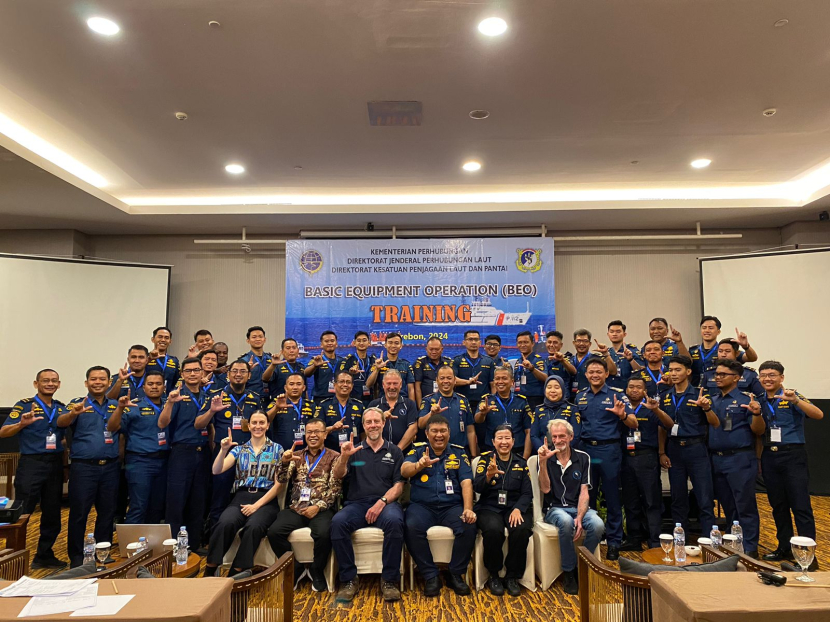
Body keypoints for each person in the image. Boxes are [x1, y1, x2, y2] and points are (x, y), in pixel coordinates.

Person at [330, 408, 405, 603]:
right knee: (338, 522)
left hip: (385, 503)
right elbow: (338, 475)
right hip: (357, 504)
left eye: (376, 421)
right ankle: (348, 579)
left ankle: (389, 580)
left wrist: (381, 503)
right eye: (368, 422)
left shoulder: (394, 451)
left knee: (396, 522)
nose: (373, 425)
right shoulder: (354, 450)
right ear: (363, 426)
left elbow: (398, 486)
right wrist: (344, 457)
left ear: (383, 423)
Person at [758, 361, 824, 566]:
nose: (767, 379)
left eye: (772, 375)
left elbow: (818, 414)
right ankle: (784, 548)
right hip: (770, 455)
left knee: (800, 505)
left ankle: (808, 556)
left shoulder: (792, 395)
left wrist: (796, 400)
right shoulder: (758, 400)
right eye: (763, 375)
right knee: (778, 506)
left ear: (782, 378)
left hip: (792, 455)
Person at [402, 415, 476, 597]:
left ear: (449, 433)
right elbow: (404, 470)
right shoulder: (418, 450)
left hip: (451, 507)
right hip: (422, 506)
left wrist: (468, 508)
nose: (439, 435)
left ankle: (455, 573)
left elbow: (466, 482)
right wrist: (419, 466)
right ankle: (430, 575)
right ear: (427, 434)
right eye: (434, 431)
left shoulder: (459, 452)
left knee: (468, 524)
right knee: (410, 526)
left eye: (443, 431)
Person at [1, 369, 68, 569]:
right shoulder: (24, 405)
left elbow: (62, 439)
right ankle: (13, 557)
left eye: (54, 381)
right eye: (45, 380)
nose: (50, 384)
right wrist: (21, 424)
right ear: (36, 383)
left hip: (54, 464)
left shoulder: (61, 408)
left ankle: (44, 555)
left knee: (52, 512)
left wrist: (64, 466)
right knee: (23, 511)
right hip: (31, 463)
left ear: (59, 384)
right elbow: (4, 432)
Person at [203, 411, 283, 576]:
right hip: (241, 496)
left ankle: (237, 573)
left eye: (262, 423)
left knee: (254, 527)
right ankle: (210, 569)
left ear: (268, 425)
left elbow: (278, 486)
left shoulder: (277, 449)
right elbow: (216, 470)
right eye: (254, 423)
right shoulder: (239, 449)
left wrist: (256, 506)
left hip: (266, 499)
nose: (258, 426)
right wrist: (223, 450)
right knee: (225, 523)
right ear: (249, 426)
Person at [267, 417, 342, 592]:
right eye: (309, 432)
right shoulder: (296, 456)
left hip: (321, 508)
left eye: (317, 432)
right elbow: (282, 479)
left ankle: (317, 570)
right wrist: (284, 462)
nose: (313, 435)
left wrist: (318, 506)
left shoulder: (334, 456)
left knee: (324, 533)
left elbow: (336, 489)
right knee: (274, 532)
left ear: (325, 434)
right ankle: (296, 567)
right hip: (296, 508)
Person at [58, 366, 121, 568]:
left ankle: (102, 551)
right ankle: (76, 556)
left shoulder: (116, 405)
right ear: (86, 383)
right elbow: (60, 423)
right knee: (79, 513)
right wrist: (73, 414)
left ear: (108, 382)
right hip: (84, 468)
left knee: (107, 512)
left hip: (110, 467)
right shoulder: (77, 404)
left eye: (102, 379)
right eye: (93, 379)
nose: (98, 382)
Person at [574, 357, 635, 560]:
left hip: (609, 451)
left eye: (599, 372)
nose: (595, 375)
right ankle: (589, 539)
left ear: (606, 374)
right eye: (591, 372)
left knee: (612, 498)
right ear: (586, 375)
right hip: (586, 452)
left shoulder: (617, 396)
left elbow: (634, 423)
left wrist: (622, 416)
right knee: (586, 496)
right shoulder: (580, 397)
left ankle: (614, 542)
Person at [705, 359, 765, 557]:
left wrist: (756, 414)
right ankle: (732, 542)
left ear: (737, 378)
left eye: (723, 374)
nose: (718, 377)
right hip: (717, 458)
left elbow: (759, 430)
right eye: (717, 374)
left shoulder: (746, 400)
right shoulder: (712, 400)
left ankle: (750, 548)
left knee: (744, 504)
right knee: (727, 504)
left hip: (740, 458)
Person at [539, 419, 605, 595]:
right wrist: (543, 462)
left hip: (579, 507)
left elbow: (585, 492)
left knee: (598, 525)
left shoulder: (583, 458)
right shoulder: (546, 457)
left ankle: (582, 567)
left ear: (571, 436)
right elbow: (545, 489)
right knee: (566, 522)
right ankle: (569, 572)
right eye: (555, 436)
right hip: (555, 508)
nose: (558, 440)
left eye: (562, 436)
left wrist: (581, 517)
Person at [196, 360, 263, 531]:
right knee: (219, 496)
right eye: (234, 371)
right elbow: (198, 424)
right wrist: (212, 411)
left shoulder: (254, 398)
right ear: (228, 374)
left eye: (242, 371)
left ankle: (242, 536)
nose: (238, 374)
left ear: (249, 375)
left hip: (249, 454)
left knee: (248, 495)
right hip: (224, 452)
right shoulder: (216, 396)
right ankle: (214, 537)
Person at [658, 355, 719, 537]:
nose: (674, 374)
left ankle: (710, 539)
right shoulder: (665, 396)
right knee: (678, 497)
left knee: (704, 496)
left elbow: (715, 423)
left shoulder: (700, 394)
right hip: (674, 449)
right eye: (671, 370)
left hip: (696, 449)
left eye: (678, 370)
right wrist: (662, 451)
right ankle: (680, 538)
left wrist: (706, 408)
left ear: (688, 371)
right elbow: (662, 427)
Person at [159, 357, 211, 554]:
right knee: (176, 501)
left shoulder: (207, 396)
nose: (192, 374)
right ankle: (174, 547)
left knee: (198, 501)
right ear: (182, 374)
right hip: (182, 452)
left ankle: (194, 545)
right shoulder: (176, 396)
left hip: (203, 452)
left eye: (196, 370)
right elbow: (162, 423)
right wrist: (170, 404)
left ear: (201, 373)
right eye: (188, 371)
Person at [474, 425, 532, 597]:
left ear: (513, 442)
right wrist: (488, 476)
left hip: (514, 506)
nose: (504, 442)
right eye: (500, 438)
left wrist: (518, 509)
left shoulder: (521, 463)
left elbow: (528, 493)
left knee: (521, 529)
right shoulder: (484, 461)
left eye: (507, 438)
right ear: (493, 441)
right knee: (493, 530)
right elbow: (477, 487)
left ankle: (512, 576)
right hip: (489, 506)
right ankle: (494, 575)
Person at [619, 377, 674, 551]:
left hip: (646, 457)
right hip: (626, 458)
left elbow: (669, 425)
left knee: (652, 500)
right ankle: (634, 538)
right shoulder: (621, 407)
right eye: (631, 386)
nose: (634, 390)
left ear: (645, 390)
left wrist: (656, 410)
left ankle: (655, 540)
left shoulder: (651, 407)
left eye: (638, 387)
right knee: (630, 500)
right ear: (626, 389)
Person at [107, 369, 169, 524]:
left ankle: (151, 544)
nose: (154, 387)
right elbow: (112, 427)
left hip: (164, 461)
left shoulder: (170, 405)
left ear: (164, 387)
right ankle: (131, 546)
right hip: (140, 461)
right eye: (150, 384)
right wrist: (120, 408)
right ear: (144, 387)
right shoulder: (133, 406)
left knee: (157, 506)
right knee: (138, 506)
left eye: (158, 384)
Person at [417, 365, 478, 455]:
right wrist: (431, 414)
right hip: (436, 453)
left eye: (449, 378)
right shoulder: (428, 400)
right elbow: (421, 424)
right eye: (442, 378)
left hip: (461, 452)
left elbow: (470, 430)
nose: (445, 381)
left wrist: (473, 456)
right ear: (437, 381)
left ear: (455, 380)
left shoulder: (463, 400)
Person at [476, 367, 532, 458]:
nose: (500, 381)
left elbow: (528, 431)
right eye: (497, 378)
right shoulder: (487, 400)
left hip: (517, 451)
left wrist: (524, 458)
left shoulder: (522, 401)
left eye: (504, 378)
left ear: (512, 382)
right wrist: (483, 413)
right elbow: (477, 420)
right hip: (492, 451)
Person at [689, 317, 758, 386]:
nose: (707, 330)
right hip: (695, 389)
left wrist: (746, 347)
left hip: (718, 387)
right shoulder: (693, 351)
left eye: (710, 328)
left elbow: (752, 358)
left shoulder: (724, 349)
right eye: (704, 328)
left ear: (718, 331)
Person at [367, 369, 419, 451]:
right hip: (378, 452)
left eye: (395, 383)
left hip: (404, 453)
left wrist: (397, 450)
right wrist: (381, 417)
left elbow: (413, 429)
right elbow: (368, 429)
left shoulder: (409, 404)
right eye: (388, 384)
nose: (392, 387)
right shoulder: (373, 405)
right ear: (383, 385)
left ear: (401, 384)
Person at [314, 372, 364, 451]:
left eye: (348, 382)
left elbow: (363, 433)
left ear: (352, 386)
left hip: (354, 452)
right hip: (330, 452)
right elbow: (316, 431)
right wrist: (332, 428)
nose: (345, 385)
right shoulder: (324, 405)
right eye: (341, 382)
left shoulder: (359, 406)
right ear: (334, 385)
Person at [266, 373, 316, 451]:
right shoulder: (275, 403)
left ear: (304, 388)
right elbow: (264, 421)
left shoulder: (311, 406)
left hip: (305, 452)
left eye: (298, 384)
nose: (295, 387)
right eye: (291, 384)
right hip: (280, 451)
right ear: (286, 388)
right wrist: (276, 408)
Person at [531, 375, 580, 452]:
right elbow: (534, 435)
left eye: (557, 387)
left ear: (563, 390)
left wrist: (562, 450)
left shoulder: (572, 409)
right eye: (549, 387)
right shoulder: (538, 410)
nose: (552, 391)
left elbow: (576, 436)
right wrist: (544, 450)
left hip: (566, 452)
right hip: (544, 453)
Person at [452, 330, 495, 413]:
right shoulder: (457, 360)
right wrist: (468, 382)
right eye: (470, 339)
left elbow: (493, 385)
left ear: (480, 342)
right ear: (464, 342)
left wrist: (492, 402)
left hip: (483, 403)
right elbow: (453, 380)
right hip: (462, 403)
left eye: (476, 340)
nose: (473, 342)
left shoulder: (488, 361)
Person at [365, 332, 416, 399]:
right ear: (385, 345)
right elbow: (368, 385)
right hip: (383, 402)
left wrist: (411, 407)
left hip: (402, 402)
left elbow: (411, 389)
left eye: (396, 343)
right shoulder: (378, 363)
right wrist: (377, 369)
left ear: (401, 346)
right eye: (390, 343)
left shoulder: (406, 365)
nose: (393, 345)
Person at [567, 329, 617, 397]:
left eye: (585, 341)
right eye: (578, 341)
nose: (581, 344)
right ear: (574, 343)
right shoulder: (568, 361)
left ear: (590, 344)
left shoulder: (597, 359)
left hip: (592, 397)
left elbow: (613, 372)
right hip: (571, 398)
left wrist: (605, 353)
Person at [337, 331, 377, 406]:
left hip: (370, 400)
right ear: (354, 343)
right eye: (359, 340)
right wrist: (350, 373)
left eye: (364, 340)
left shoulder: (373, 361)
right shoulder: (347, 360)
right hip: (352, 399)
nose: (361, 343)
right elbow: (340, 379)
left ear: (369, 342)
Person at [413, 337, 453, 405]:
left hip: (446, 401)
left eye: (437, 349)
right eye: (431, 349)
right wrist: (420, 406)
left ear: (442, 349)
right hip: (426, 402)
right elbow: (417, 387)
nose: (434, 352)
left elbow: (454, 381)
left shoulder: (449, 363)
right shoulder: (420, 363)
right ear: (426, 349)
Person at [513, 331, 547, 408]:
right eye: (520, 342)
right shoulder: (518, 361)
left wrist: (532, 369)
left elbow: (545, 377)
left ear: (532, 344)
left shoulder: (538, 360)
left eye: (526, 342)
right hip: (519, 398)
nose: (522, 345)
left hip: (535, 399)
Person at [606, 321, 643, 390]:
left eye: (618, 331)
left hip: (628, 391)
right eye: (612, 332)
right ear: (608, 334)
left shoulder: (632, 350)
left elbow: (641, 371)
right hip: (609, 391)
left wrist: (630, 359)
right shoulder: (606, 353)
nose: (614, 334)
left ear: (624, 334)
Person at [242, 326, 272, 402]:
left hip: (270, 401)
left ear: (265, 340)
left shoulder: (272, 360)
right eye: (254, 337)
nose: (258, 339)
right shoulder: (243, 361)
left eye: (260, 337)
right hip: (250, 400)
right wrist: (247, 370)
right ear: (248, 341)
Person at [147, 326, 180, 393]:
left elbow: (178, 381)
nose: (163, 340)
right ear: (153, 339)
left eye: (166, 338)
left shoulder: (174, 361)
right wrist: (148, 359)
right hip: (147, 399)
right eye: (160, 337)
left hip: (167, 399)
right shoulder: (145, 358)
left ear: (170, 341)